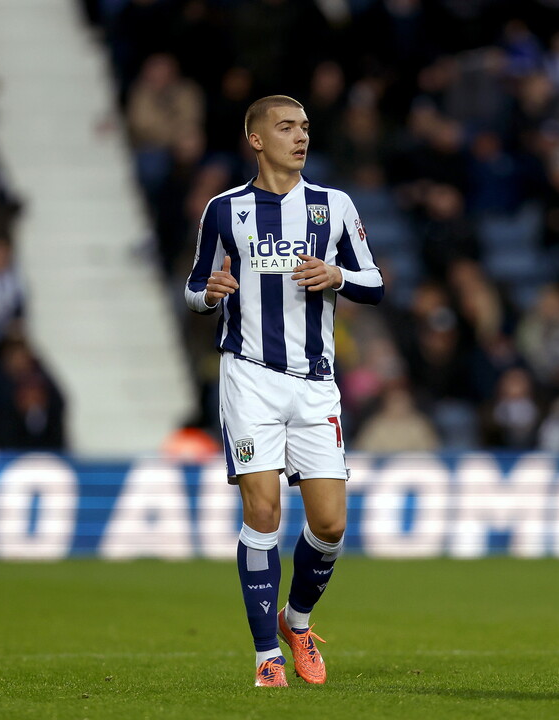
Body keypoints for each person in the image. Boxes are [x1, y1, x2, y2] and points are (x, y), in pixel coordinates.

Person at [184, 95, 384, 687]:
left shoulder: (334, 206)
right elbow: (194, 286)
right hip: (249, 377)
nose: (299, 137)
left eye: (304, 128)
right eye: (285, 127)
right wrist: (210, 294)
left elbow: (374, 282)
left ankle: (297, 622)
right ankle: (265, 655)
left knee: (329, 526)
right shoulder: (224, 211)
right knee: (264, 510)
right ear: (255, 138)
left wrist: (339, 276)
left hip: (316, 384)